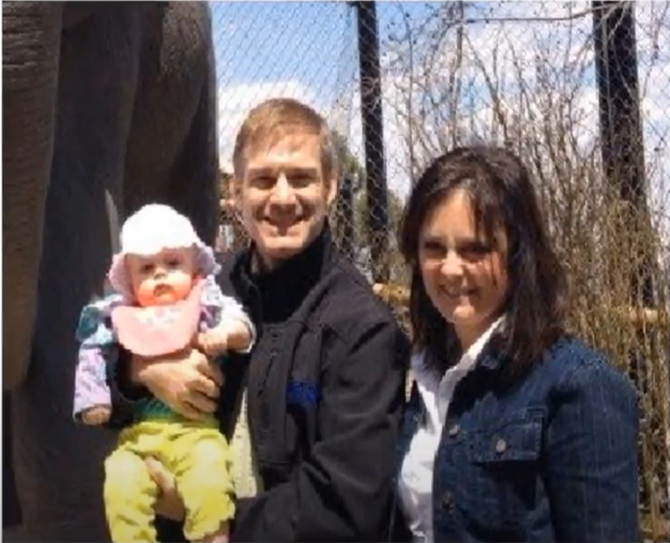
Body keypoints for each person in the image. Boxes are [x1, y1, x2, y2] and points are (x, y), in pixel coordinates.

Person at [105, 98, 410, 541]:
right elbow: (100, 390)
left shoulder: (363, 329)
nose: (282, 197)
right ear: (235, 194)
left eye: (301, 178)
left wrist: (219, 524)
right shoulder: (204, 288)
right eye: (263, 179)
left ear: (329, 187)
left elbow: (349, 504)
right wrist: (141, 371)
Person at [394, 145, 640, 542]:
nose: (451, 268)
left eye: (476, 249)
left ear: (518, 255)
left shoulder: (580, 387)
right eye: (434, 248)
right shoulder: (423, 376)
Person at [74, 203, 255, 543]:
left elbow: (244, 327)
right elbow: (93, 354)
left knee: (209, 479)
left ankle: (212, 538)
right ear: (129, 279)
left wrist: (225, 335)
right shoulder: (121, 315)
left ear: (194, 267)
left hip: (196, 431)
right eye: (146, 268)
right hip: (139, 437)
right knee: (120, 480)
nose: (159, 274)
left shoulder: (206, 305)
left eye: (172, 264)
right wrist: (92, 398)